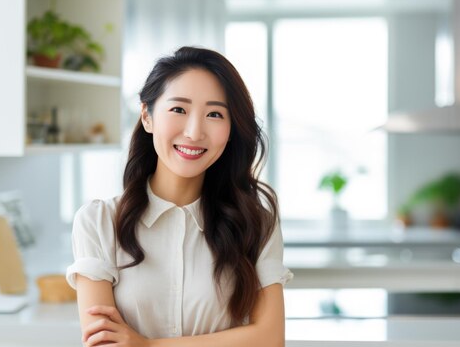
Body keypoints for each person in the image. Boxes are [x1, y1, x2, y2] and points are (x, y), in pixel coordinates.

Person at [66, 46, 293, 347]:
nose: (194, 132)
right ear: (147, 116)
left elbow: (269, 339)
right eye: (178, 109)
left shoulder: (256, 223)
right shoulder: (98, 222)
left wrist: (146, 345)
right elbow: (104, 342)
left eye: (214, 114)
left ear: (230, 128)